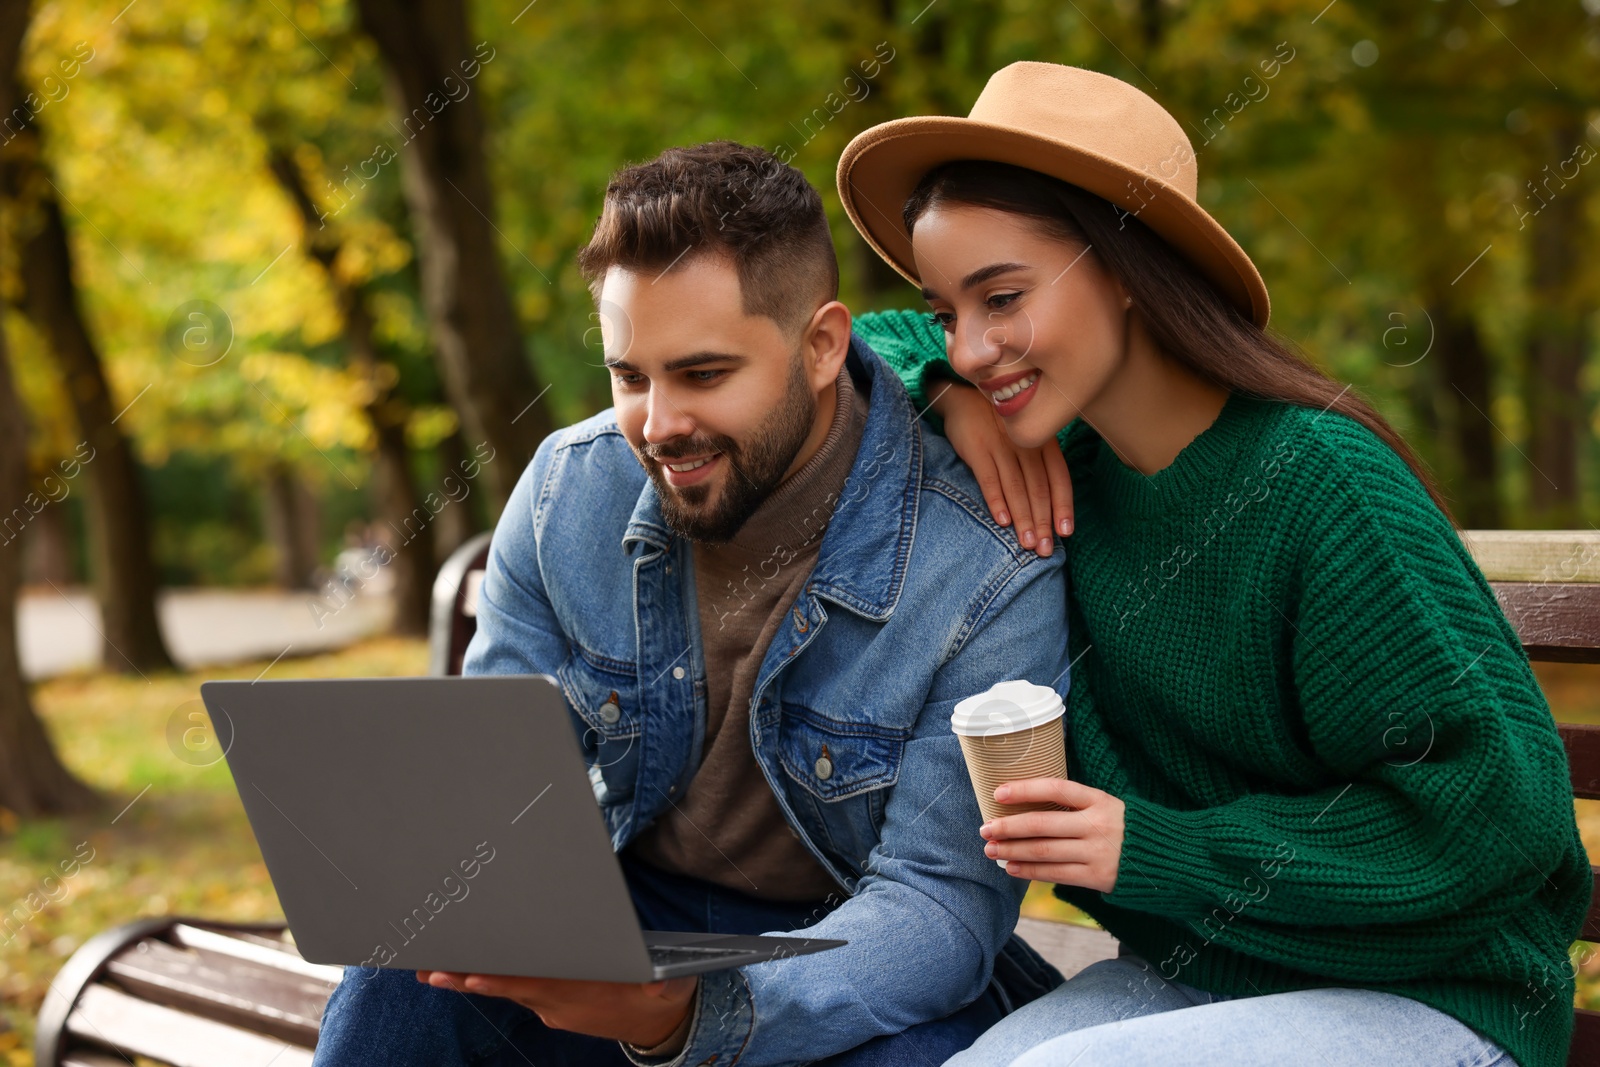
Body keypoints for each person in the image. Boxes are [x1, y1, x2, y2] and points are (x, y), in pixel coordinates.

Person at [833, 62, 1591, 1067]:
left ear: (1126, 270)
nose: (973, 346)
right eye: (945, 313)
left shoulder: (1316, 481)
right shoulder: (1075, 469)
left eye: (1002, 297)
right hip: (1224, 965)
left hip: (1442, 992)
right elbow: (836, 346)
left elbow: (1495, 814)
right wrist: (947, 385)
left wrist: (1157, 849)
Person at [310, 141, 1071, 1067]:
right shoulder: (566, 492)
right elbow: (501, 799)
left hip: (848, 951)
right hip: (628, 920)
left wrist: (684, 1016)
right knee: (400, 978)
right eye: (630, 376)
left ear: (823, 346)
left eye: (703, 374)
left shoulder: (986, 565)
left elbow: (938, 910)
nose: (659, 425)